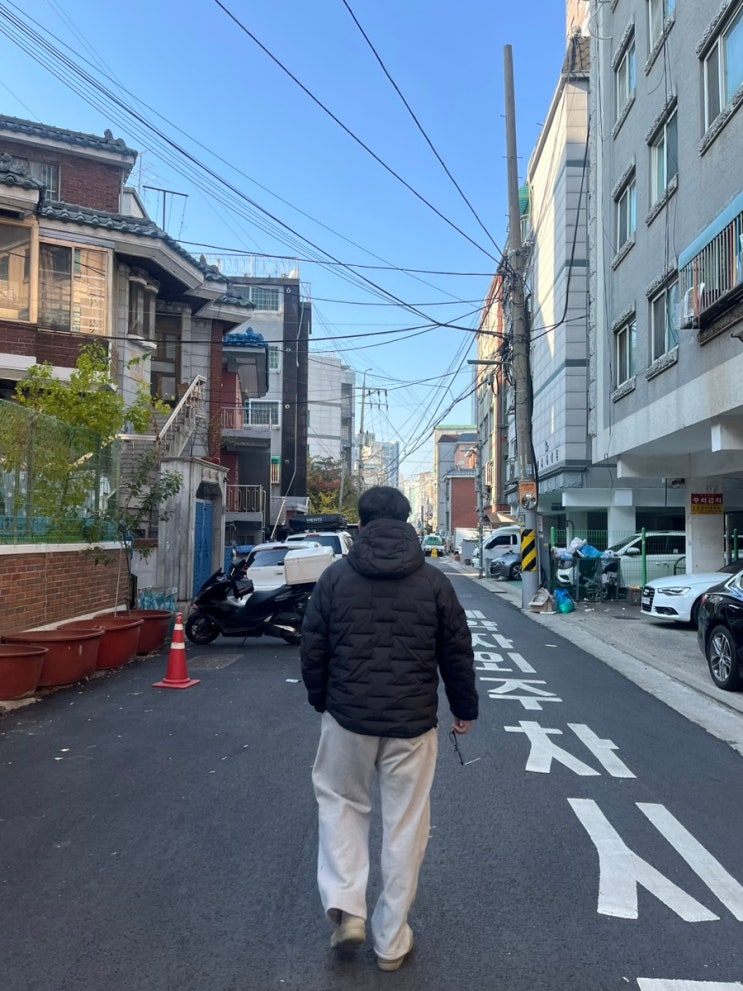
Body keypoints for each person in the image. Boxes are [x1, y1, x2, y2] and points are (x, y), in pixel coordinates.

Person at [300, 485, 478, 972]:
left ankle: (348, 908)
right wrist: (464, 708)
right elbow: (457, 651)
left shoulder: (335, 577)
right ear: (407, 524)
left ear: (360, 525)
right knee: (405, 826)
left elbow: (313, 646)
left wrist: (322, 700)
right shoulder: (434, 582)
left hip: (347, 718)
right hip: (413, 725)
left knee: (341, 804)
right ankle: (391, 942)